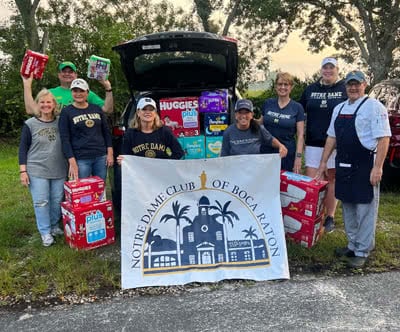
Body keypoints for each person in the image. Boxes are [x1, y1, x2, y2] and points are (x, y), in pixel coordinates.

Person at [316, 70, 391, 268]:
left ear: (364, 84)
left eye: (357, 83)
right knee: (348, 205)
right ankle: (352, 245)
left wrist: (378, 167)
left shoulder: (374, 107)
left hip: (365, 165)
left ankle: (362, 250)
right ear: (345, 86)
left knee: (365, 208)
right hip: (343, 164)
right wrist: (323, 162)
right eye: (350, 84)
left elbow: (384, 138)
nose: (353, 87)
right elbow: (331, 137)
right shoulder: (339, 108)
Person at [19, 74, 68, 247]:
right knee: (41, 202)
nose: (46, 105)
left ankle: (54, 226)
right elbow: (23, 149)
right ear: (38, 104)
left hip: (59, 169)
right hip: (37, 169)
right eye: (42, 102)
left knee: (56, 201)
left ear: (55, 104)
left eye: (49, 102)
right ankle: (45, 232)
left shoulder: (62, 122)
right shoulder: (30, 124)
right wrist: (23, 171)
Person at [300, 57, 348, 232]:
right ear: (321, 70)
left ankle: (330, 217)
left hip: (336, 144)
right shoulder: (310, 89)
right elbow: (299, 112)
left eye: (331, 68)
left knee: (331, 180)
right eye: (325, 67)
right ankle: (314, 215)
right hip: (314, 143)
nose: (328, 71)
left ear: (337, 70)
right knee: (313, 180)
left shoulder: (344, 89)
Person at [58, 78, 113, 181]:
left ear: (87, 92)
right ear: (71, 92)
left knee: (100, 189)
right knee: (83, 191)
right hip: (81, 158)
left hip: (100, 156)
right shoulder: (66, 112)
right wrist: (72, 160)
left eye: (81, 91)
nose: (78, 94)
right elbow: (65, 139)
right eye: (75, 91)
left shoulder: (96, 108)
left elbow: (106, 131)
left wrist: (110, 153)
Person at [24, 61, 114, 114]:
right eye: (64, 71)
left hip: (77, 140)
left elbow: (107, 109)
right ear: (59, 75)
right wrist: (27, 85)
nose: (67, 74)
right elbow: (31, 110)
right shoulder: (50, 93)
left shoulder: (84, 93)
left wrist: (108, 87)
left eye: (70, 72)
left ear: (76, 75)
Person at [258, 72, 305, 172]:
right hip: (266, 152)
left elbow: (300, 135)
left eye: (286, 84)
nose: (282, 87)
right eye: (280, 84)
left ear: (291, 87)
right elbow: (260, 124)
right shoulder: (268, 103)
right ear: (275, 86)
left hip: (286, 154)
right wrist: (246, 118)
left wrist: (298, 158)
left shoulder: (297, 107)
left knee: (283, 184)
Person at [118, 97, 184, 160]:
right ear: (138, 112)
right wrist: (123, 160)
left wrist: (166, 163)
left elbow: (179, 153)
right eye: (144, 109)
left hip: (161, 170)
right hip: (139, 171)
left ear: (155, 113)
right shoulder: (130, 134)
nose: (148, 112)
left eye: (151, 109)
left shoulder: (164, 131)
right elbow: (126, 156)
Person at [220, 99, 288, 157]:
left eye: (246, 113)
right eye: (240, 113)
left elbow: (270, 140)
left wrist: (281, 146)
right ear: (236, 115)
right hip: (236, 168)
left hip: (255, 168)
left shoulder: (258, 128)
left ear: (252, 115)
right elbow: (224, 154)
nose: (243, 116)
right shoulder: (228, 132)